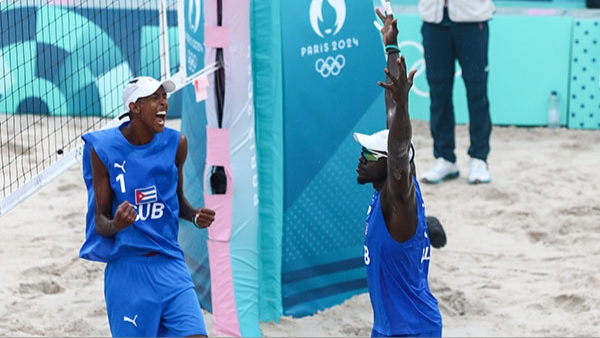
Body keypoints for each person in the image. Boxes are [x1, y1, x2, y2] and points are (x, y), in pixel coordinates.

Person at [79, 76, 216, 337]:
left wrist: (195, 215)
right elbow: (101, 222)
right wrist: (117, 224)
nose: (164, 102)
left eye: (164, 97)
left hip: (170, 262)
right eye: (155, 97)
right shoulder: (103, 149)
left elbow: (177, 200)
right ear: (134, 107)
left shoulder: (177, 144)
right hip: (129, 271)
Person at [352, 8, 442, 337]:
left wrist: (404, 106)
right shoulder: (386, 195)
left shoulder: (397, 198)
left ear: (390, 165)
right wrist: (391, 48)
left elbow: (400, 146)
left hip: (413, 331)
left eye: (369, 154)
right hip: (389, 329)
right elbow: (392, 118)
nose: (361, 159)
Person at [418, 0, 495, 184]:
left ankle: (479, 158)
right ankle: (445, 158)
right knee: (438, 93)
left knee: (477, 92)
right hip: (433, 18)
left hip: (472, 16)